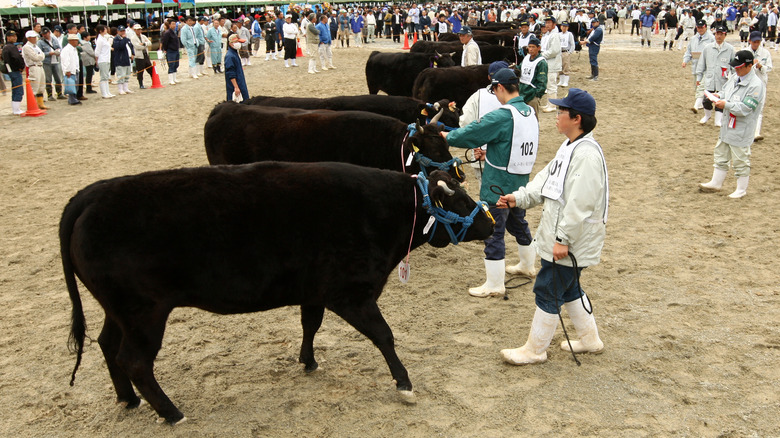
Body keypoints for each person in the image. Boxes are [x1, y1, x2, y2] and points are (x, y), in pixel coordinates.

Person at [496, 88, 607, 366]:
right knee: (569, 288)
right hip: (566, 237)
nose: (556, 116)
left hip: (572, 239)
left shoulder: (586, 155)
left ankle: (535, 350)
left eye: (561, 112)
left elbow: (580, 204)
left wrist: (563, 239)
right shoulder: (570, 146)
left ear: (577, 119)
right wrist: (518, 198)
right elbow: (546, 180)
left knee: (548, 289)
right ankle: (590, 340)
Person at [441, 68, 539, 297]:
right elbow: (515, 143)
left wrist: (447, 136)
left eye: (495, 90)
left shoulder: (502, 115)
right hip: (520, 179)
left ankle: (495, 284)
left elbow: (471, 134)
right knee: (518, 223)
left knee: (492, 230)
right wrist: (493, 154)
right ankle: (527, 265)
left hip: (497, 183)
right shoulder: (529, 112)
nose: (495, 95)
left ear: (500, 87)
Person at [699, 50, 764, 199]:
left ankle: (741, 189)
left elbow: (746, 108)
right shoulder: (735, 76)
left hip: (742, 128)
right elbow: (726, 91)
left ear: (749, 66)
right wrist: (718, 96)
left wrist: (725, 105)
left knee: (740, 159)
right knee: (721, 153)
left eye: (740, 67)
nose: (736, 69)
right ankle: (716, 182)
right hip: (727, 125)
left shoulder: (756, 85)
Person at [459, 61, 510, 187]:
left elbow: (465, 122)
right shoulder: (514, 97)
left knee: (487, 190)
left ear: (488, 77)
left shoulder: (478, 96)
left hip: (481, 152)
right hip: (508, 154)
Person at [696, 25, 735, 126]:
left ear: (725, 35)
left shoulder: (730, 49)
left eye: (721, 34)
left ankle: (718, 120)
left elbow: (734, 66)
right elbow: (701, 63)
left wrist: (734, 79)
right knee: (707, 100)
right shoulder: (708, 48)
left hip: (723, 80)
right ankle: (707, 115)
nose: (719, 36)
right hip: (710, 78)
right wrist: (699, 77)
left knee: (720, 100)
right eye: (717, 34)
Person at [683, 20, 715, 113]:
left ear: (705, 27)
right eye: (699, 27)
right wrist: (685, 61)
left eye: (702, 27)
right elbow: (688, 51)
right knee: (696, 85)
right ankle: (701, 103)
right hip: (696, 65)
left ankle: (697, 105)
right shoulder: (693, 39)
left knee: (702, 85)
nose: (700, 29)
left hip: (707, 67)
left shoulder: (711, 38)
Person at [746, 31, 772, 140]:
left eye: (758, 41)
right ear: (750, 41)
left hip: (761, 83)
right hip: (747, 84)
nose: (756, 44)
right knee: (747, 107)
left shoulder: (765, 53)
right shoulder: (745, 52)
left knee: (759, 108)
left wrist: (761, 66)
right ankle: (747, 131)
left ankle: (756, 132)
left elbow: (769, 68)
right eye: (754, 41)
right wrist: (751, 65)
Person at [517, 36, 547, 118]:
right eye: (529, 47)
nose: (530, 49)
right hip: (522, 91)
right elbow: (519, 69)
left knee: (533, 117)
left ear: (538, 48)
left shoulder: (541, 62)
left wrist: (537, 95)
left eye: (533, 47)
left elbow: (542, 80)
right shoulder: (526, 58)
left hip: (532, 94)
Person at [540, 16, 562, 112]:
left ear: (554, 24)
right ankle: (549, 103)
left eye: (549, 23)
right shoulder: (547, 35)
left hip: (552, 63)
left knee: (551, 84)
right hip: (547, 62)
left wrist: (541, 55)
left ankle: (552, 105)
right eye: (546, 23)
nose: (547, 25)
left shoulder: (555, 35)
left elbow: (554, 51)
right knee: (548, 84)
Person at [22, 30, 48, 109]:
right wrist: (40, 56)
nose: (35, 39)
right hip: (33, 66)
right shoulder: (27, 47)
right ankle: (33, 104)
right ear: (29, 38)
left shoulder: (35, 46)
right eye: (33, 37)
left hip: (40, 65)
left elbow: (42, 55)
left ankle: (40, 103)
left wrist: (40, 56)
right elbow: (35, 57)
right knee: (35, 86)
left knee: (41, 85)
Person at [3, 31, 26, 115]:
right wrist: (20, 67)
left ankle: (15, 108)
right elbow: (15, 59)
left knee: (15, 89)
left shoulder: (7, 47)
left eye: (15, 36)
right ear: (8, 37)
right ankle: (16, 109)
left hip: (12, 70)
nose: (14, 37)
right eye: (12, 36)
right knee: (18, 89)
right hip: (15, 70)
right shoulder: (10, 47)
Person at [38, 27, 64, 102]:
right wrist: (50, 53)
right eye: (43, 34)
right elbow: (40, 53)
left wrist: (58, 51)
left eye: (46, 33)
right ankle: (50, 95)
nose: (45, 35)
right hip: (46, 62)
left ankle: (59, 93)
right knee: (48, 79)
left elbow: (59, 47)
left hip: (55, 61)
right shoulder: (40, 42)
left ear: (49, 32)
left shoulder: (54, 39)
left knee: (58, 78)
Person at [224, 33, 249, 103]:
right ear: (231, 44)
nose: (238, 44)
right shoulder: (230, 56)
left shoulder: (234, 53)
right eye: (236, 42)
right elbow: (230, 73)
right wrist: (236, 87)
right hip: (236, 84)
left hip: (240, 82)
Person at [112, 26, 135, 95]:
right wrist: (124, 39)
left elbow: (131, 46)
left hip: (127, 58)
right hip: (120, 59)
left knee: (127, 74)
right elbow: (120, 46)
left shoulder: (127, 39)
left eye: (123, 31)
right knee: (121, 75)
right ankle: (120, 89)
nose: (123, 32)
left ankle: (126, 88)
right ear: (118, 32)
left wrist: (132, 53)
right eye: (121, 31)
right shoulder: (116, 39)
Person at [60, 34, 82, 105]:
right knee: (71, 85)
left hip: (75, 69)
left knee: (75, 85)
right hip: (70, 70)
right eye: (76, 40)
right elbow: (65, 61)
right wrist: (67, 70)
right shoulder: (66, 50)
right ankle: (72, 99)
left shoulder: (74, 49)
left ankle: (74, 98)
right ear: (71, 41)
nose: (77, 42)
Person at [130, 24, 153, 89]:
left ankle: (153, 81)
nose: (139, 30)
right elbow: (137, 46)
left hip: (146, 55)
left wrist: (144, 44)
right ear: (134, 30)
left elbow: (149, 43)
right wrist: (145, 45)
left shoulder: (143, 36)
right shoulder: (133, 38)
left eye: (139, 29)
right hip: (139, 57)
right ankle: (141, 84)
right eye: (137, 29)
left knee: (150, 70)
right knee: (140, 71)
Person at [582, 16, 603, 80]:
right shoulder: (595, 29)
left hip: (594, 45)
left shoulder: (598, 29)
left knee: (593, 60)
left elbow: (593, 37)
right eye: (592, 23)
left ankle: (595, 76)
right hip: (592, 45)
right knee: (592, 59)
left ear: (598, 22)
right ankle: (593, 74)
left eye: (594, 22)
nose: (593, 24)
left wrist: (585, 42)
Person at [160, 19, 181, 85]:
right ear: (169, 25)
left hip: (176, 50)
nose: (174, 25)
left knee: (176, 64)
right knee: (171, 64)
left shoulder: (174, 32)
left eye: (175, 24)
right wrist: (165, 49)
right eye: (172, 24)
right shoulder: (167, 33)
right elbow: (164, 42)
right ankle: (170, 79)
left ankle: (174, 78)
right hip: (170, 50)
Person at [558, 22, 575, 87]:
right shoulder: (559, 34)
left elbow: (572, 44)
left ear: (567, 27)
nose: (564, 28)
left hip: (566, 51)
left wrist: (570, 52)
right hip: (560, 52)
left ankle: (565, 81)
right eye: (563, 26)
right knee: (560, 66)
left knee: (566, 66)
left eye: (565, 26)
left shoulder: (569, 34)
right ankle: (561, 80)